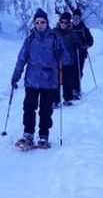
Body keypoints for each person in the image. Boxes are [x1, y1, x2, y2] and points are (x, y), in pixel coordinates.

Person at [10, 9, 66, 149]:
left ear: (47, 23)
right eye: (37, 22)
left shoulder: (54, 38)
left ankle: (43, 135)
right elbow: (21, 59)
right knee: (29, 107)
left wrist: (61, 54)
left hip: (49, 81)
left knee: (45, 110)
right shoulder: (30, 40)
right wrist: (15, 77)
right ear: (34, 24)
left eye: (42, 22)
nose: (40, 25)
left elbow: (65, 58)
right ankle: (28, 134)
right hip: (32, 80)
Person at [53, 12, 83, 106]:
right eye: (62, 22)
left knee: (68, 81)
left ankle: (68, 98)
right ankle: (55, 100)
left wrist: (79, 46)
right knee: (56, 81)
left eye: (65, 22)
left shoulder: (72, 33)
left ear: (69, 23)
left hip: (69, 60)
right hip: (57, 60)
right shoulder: (54, 32)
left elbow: (78, 44)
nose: (63, 24)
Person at [70, 8, 93, 99]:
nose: (75, 21)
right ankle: (71, 89)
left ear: (80, 19)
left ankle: (77, 89)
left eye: (77, 19)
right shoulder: (70, 28)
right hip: (71, 54)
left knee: (78, 71)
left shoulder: (84, 29)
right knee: (71, 71)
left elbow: (91, 41)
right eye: (74, 18)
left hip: (81, 54)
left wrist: (85, 46)